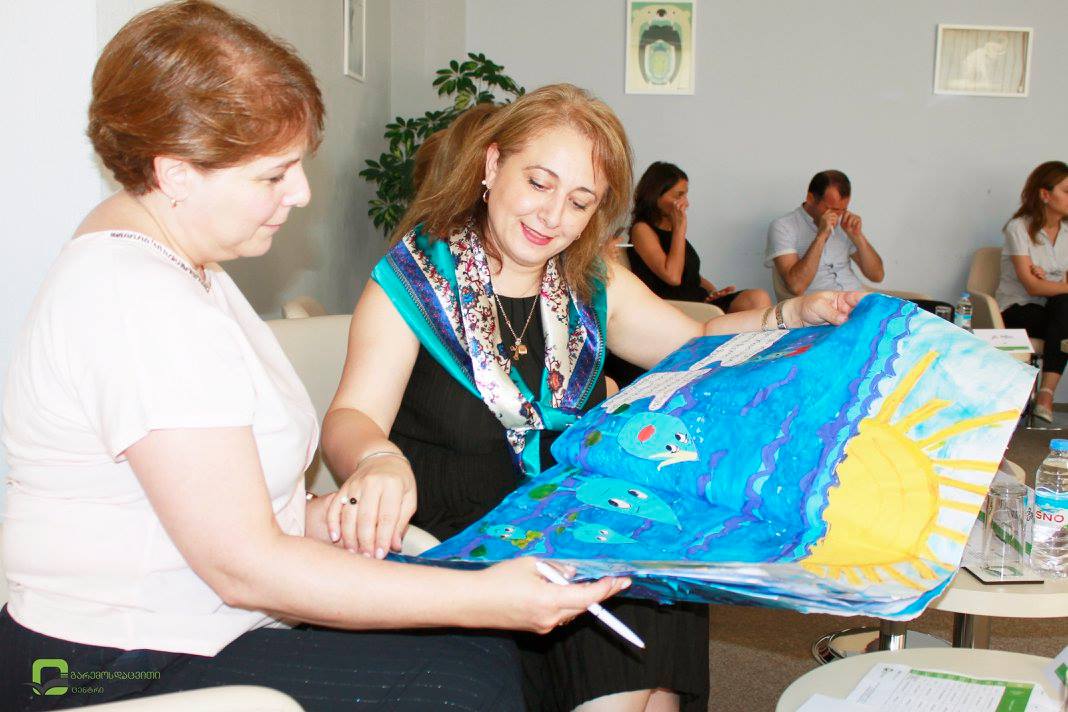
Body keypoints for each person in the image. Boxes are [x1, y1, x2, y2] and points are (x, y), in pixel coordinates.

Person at [0, 4, 629, 710]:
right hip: (101, 661)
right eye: (274, 176)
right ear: (176, 173)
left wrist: (339, 512)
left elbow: (226, 512)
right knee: (463, 677)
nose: (299, 194)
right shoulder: (138, 301)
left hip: (193, 625)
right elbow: (246, 568)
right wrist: (482, 597)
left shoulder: (182, 270)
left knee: (472, 654)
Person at [321, 82, 864, 712]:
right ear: (492, 165)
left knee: (657, 577)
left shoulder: (589, 281)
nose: (552, 217)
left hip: (568, 514)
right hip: (463, 532)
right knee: (624, 609)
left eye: (580, 202)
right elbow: (351, 416)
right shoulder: (416, 280)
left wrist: (792, 313)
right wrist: (374, 459)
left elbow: (697, 343)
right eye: (539, 183)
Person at [627, 161, 771, 313]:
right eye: (679, 195)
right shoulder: (641, 229)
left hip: (698, 300)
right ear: (656, 195)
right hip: (673, 307)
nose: (686, 203)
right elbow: (673, 276)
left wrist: (713, 291)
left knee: (757, 297)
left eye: (685, 195)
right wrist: (680, 229)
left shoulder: (671, 230)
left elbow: (691, 274)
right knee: (757, 301)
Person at [996, 160, 1068, 422]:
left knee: (1064, 309)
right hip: (1017, 309)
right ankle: (1045, 397)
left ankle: (1044, 394)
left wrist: (1051, 282)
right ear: (1045, 195)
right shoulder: (1019, 227)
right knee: (1064, 314)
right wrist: (1055, 284)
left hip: (1054, 312)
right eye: (1067, 191)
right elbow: (1031, 286)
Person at [766, 170, 885, 295]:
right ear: (810, 198)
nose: (838, 215)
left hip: (857, 297)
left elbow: (877, 276)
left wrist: (858, 236)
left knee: (897, 305)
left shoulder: (843, 223)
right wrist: (821, 236)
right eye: (833, 209)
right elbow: (796, 286)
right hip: (820, 303)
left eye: (843, 209)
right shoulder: (783, 226)